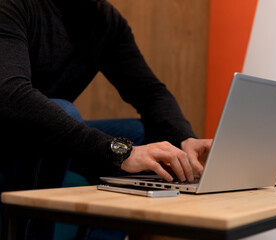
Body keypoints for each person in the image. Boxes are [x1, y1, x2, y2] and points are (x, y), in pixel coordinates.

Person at [0, 0, 212, 239]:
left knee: (147, 135)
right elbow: (11, 95)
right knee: (66, 111)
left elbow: (149, 91)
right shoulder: (14, 5)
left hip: (50, 139)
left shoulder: (106, 20)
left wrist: (184, 137)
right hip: (9, 135)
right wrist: (120, 152)